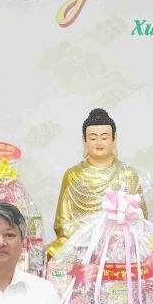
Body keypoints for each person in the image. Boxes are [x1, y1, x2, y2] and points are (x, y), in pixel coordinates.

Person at [47, 107, 145, 260]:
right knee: (54, 250)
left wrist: (115, 235)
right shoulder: (73, 174)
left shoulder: (127, 173)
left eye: (104, 138)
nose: (99, 142)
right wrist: (88, 239)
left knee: (145, 249)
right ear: (85, 140)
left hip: (117, 241)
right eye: (93, 138)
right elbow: (62, 222)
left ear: (114, 139)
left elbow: (140, 217)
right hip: (81, 243)